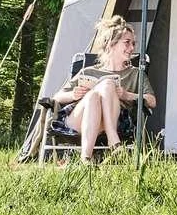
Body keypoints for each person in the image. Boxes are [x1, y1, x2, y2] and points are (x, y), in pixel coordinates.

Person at [50, 15, 154, 162]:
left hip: (116, 121)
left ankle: (85, 158)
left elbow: (151, 101)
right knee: (99, 90)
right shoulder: (88, 71)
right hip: (79, 121)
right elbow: (57, 97)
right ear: (111, 44)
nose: (132, 48)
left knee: (102, 89)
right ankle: (113, 141)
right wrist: (73, 95)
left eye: (133, 43)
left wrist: (127, 95)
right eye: (127, 43)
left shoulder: (135, 74)